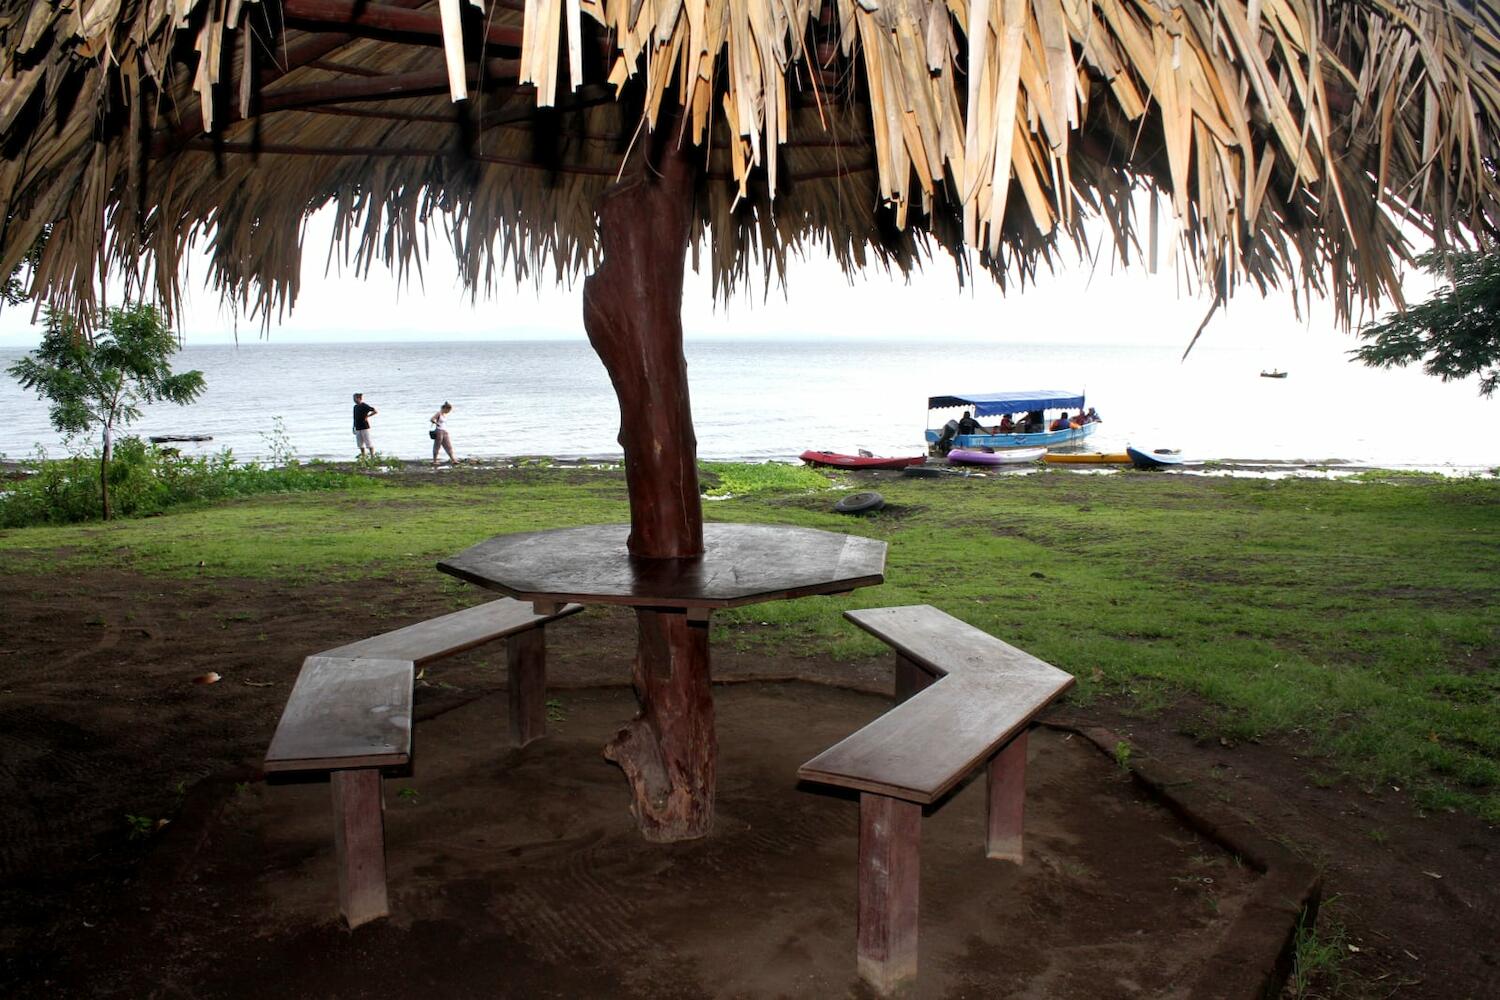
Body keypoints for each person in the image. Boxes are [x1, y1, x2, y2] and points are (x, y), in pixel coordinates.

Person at [352, 392, 377, 458]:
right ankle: (363, 457)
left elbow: (375, 411)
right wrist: (353, 427)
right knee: (360, 445)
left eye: (355, 398)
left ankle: (372, 457)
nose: (354, 400)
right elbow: (354, 418)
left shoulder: (364, 405)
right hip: (357, 427)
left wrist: (368, 416)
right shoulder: (355, 407)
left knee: (368, 443)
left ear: (359, 398)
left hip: (364, 427)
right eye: (353, 399)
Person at [430, 401, 455, 466]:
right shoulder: (439, 413)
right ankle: (434, 461)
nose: (448, 412)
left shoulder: (444, 415)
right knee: (437, 446)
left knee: (448, 446)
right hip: (439, 431)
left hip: (445, 431)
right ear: (445, 408)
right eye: (448, 410)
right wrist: (436, 423)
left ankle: (453, 459)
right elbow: (432, 419)